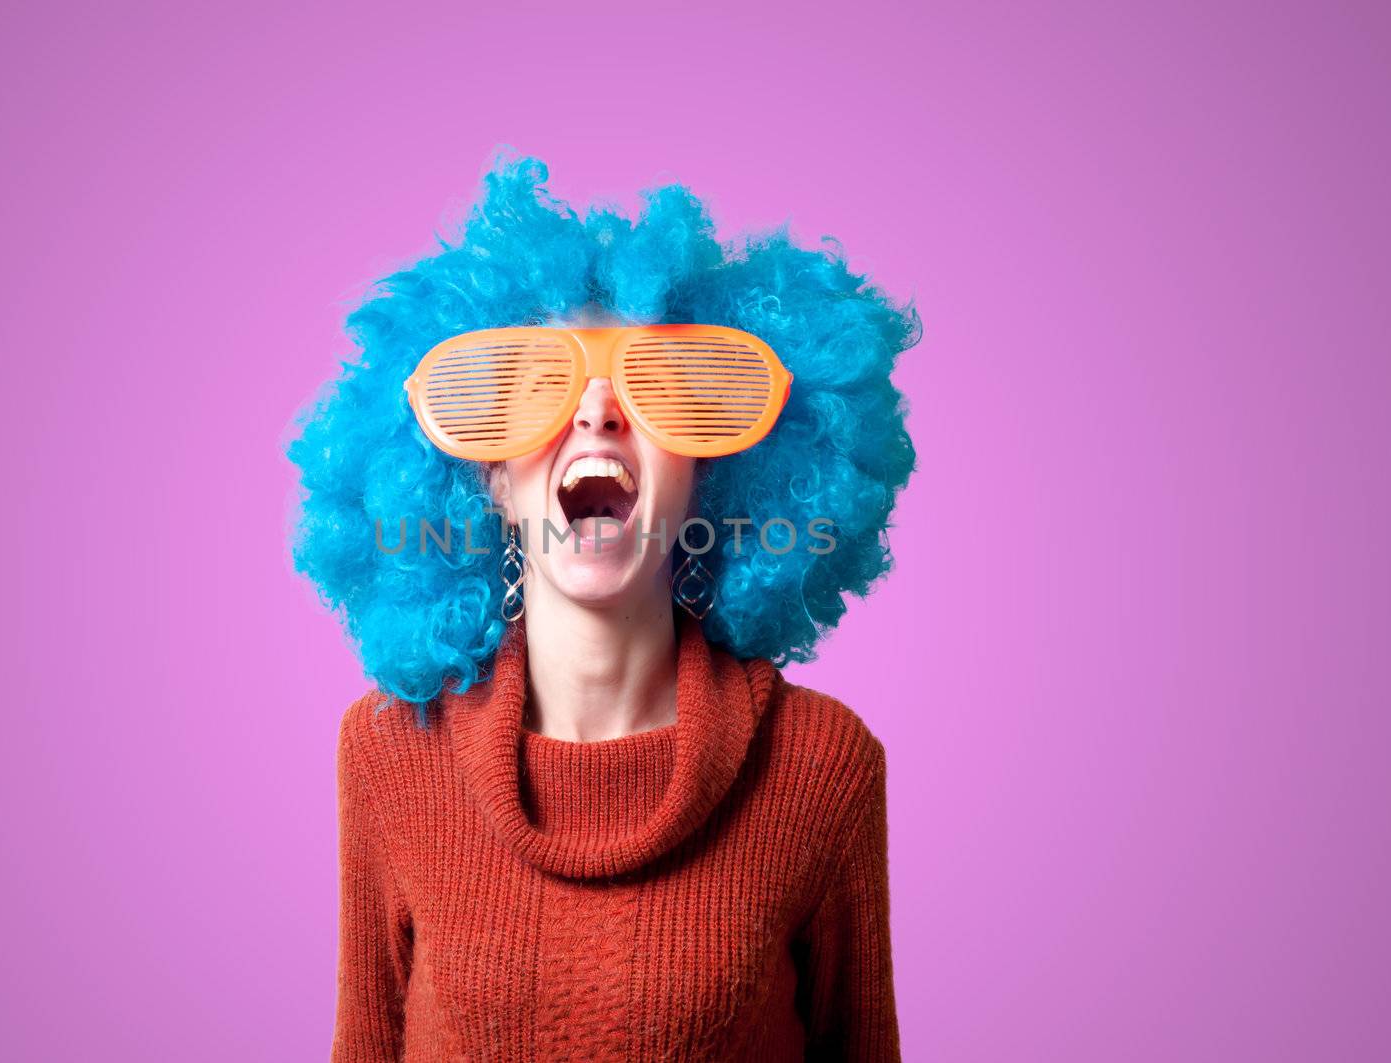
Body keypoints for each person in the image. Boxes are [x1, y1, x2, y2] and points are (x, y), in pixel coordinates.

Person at [286, 153, 919, 1061]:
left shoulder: (823, 769)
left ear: (711, 473)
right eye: (535, 386)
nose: (596, 413)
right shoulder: (389, 756)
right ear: (488, 479)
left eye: (654, 390)